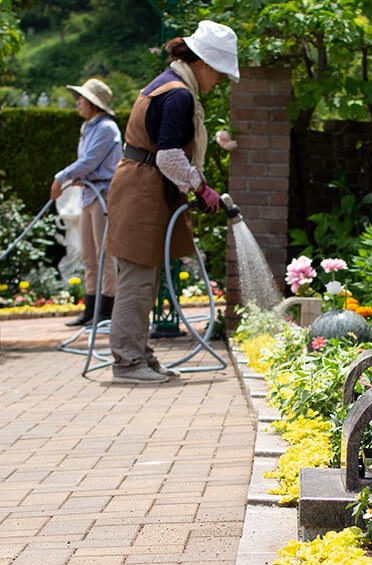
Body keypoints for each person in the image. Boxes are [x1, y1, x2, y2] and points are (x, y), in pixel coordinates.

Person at [102, 20, 238, 384]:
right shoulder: (178, 94)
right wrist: (200, 188)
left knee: (143, 277)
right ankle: (128, 363)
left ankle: (139, 355)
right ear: (205, 64)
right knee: (137, 279)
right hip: (142, 191)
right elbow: (169, 157)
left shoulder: (170, 84)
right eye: (220, 74)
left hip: (144, 188)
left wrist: (196, 186)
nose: (220, 82)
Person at [51, 78, 123, 328]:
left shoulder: (106, 128)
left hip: (103, 196)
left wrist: (61, 177)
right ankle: (90, 309)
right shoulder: (88, 128)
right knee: (88, 255)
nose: (77, 102)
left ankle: (106, 311)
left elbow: (91, 161)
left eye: (81, 98)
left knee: (105, 254)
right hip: (89, 196)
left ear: (93, 103)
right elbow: (88, 165)